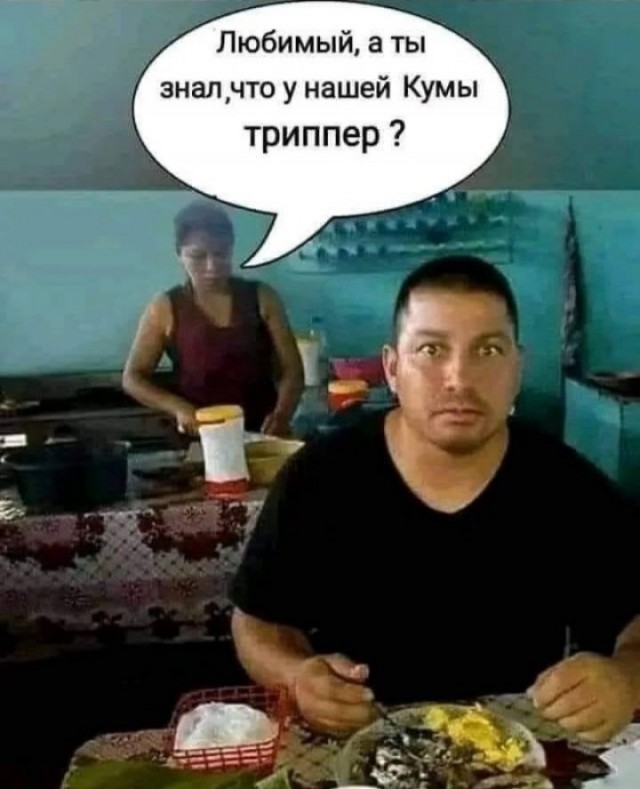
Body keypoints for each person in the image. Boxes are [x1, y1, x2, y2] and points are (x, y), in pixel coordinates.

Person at [230, 254, 640, 742]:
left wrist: (626, 677)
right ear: (392, 368)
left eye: (488, 350)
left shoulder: (566, 487)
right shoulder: (321, 477)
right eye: (431, 349)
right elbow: (256, 623)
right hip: (356, 747)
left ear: (517, 367)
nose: (459, 379)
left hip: (512, 751)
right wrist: (297, 676)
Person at [122, 200, 304, 436]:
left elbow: (292, 370)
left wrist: (282, 415)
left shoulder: (262, 297)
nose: (212, 266)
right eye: (198, 256)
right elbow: (133, 378)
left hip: (264, 435)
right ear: (179, 254)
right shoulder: (165, 308)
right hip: (202, 437)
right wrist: (178, 407)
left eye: (221, 254)